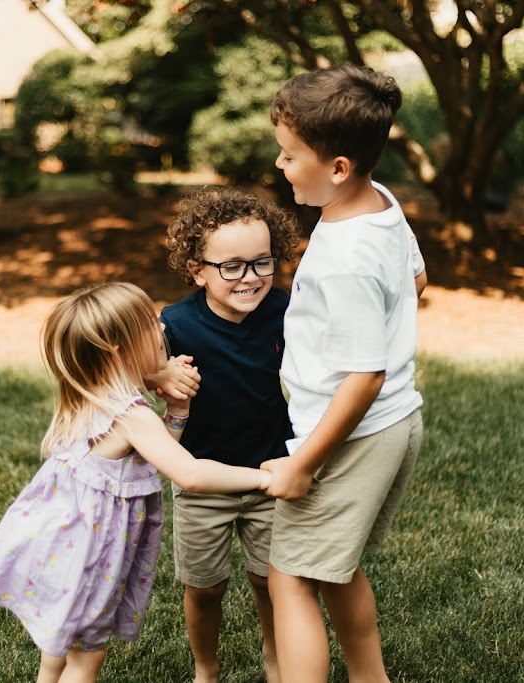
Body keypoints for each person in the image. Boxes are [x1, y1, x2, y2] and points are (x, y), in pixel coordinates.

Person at [0, 281, 275, 683]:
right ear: (119, 349)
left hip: (60, 540)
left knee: (59, 646)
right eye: (151, 325)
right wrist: (265, 477)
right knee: (87, 657)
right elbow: (189, 473)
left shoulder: (87, 392)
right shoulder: (132, 415)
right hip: (89, 551)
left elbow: (154, 453)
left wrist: (176, 406)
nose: (163, 328)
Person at [262, 65, 428, 683]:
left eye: (289, 155)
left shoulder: (344, 258)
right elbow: (417, 279)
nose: (279, 164)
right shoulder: (379, 202)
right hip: (394, 422)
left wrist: (303, 465)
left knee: (290, 577)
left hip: (352, 432)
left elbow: (364, 377)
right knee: (333, 567)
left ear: (337, 168)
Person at [149, 187, 301, 683]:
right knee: (205, 586)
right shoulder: (174, 324)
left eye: (262, 262)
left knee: (271, 580)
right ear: (198, 270)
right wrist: (160, 375)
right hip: (203, 477)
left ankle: (276, 659)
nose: (250, 277)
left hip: (272, 468)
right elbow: (126, 370)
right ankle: (206, 670)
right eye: (231, 266)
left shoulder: (282, 310)